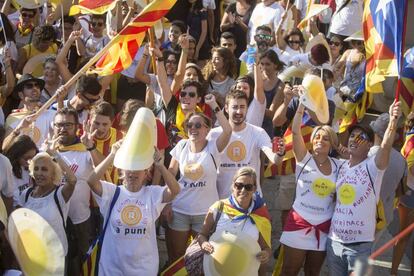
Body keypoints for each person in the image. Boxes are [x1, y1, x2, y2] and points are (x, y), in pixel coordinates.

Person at [326, 101, 402, 275]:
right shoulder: (341, 166)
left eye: (361, 137)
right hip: (334, 243)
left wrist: (392, 120)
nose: (354, 139)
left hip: (360, 248)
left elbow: (385, 146)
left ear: (369, 146)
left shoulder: (374, 167)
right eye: (352, 136)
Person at [86, 141, 181, 274]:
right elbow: (91, 181)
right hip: (112, 267)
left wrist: (160, 166)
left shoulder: (152, 194)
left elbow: (175, 190)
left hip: (144, 268)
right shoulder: (112, 192)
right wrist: (112, 155)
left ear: (146, 173)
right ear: (122, 171)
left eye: (137, 169)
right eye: (128, 169)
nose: (132, 173)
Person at [167, 94, 232, 262]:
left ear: (207, 129)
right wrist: (166, 202)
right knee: (177, 256)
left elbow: (228, 130)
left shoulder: (213, 147)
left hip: (205, 212)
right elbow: (171, 173)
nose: (193, 129)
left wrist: (214, 105)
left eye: (198, 125)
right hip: (179, 209)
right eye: (189, 125)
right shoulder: (181, 146)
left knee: (202, 257)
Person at [280, 102, 340, 276]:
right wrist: (301, 105)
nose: (320, 140)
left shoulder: (339, 165)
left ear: (332, 143)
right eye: (317, 137)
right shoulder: (303, 158)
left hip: (324, 225)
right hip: (299, 222)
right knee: (289, 270)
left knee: (313, 272)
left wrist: (342, 151)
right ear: (312, 142)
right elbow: (296, 130)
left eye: (326, 138)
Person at [208, 89, 285, 199]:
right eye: (235, 107)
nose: (239, 111)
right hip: (223, 201)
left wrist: (280, 153)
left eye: (242, 107)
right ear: (226, 108)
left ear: (247, 108)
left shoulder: (258, 132)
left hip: (252, 200)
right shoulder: (214, 134)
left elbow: (275, 160)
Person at [198, 167, 272, 275]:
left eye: (248, 187)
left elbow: (266, 248)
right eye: (239, 185)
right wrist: (204, 243)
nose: (243, 190)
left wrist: (266, 254)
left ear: (255, 189)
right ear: (233, 186)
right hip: (217, 271)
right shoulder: (218, 208)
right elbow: (202, 235)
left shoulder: (260, 214)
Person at [20, 138, 77, 256]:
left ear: (53, 174)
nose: (39, 173)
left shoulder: (60, 194)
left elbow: (72, 180)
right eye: (36, 168)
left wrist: (54, 154)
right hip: (32, 256)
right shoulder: (25, 194)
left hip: (55, 257)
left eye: (44, 169)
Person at [391, 112, 414, 276]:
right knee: (404, 235)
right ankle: (393, 273)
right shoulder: (412, 139)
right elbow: (411, 168)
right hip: (410, 194)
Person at [3, 135, 38, 207]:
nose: (30, 162)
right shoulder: (8, 171)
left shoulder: (35, 167)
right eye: (26, 158)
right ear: (16, 155)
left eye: (33, 157)